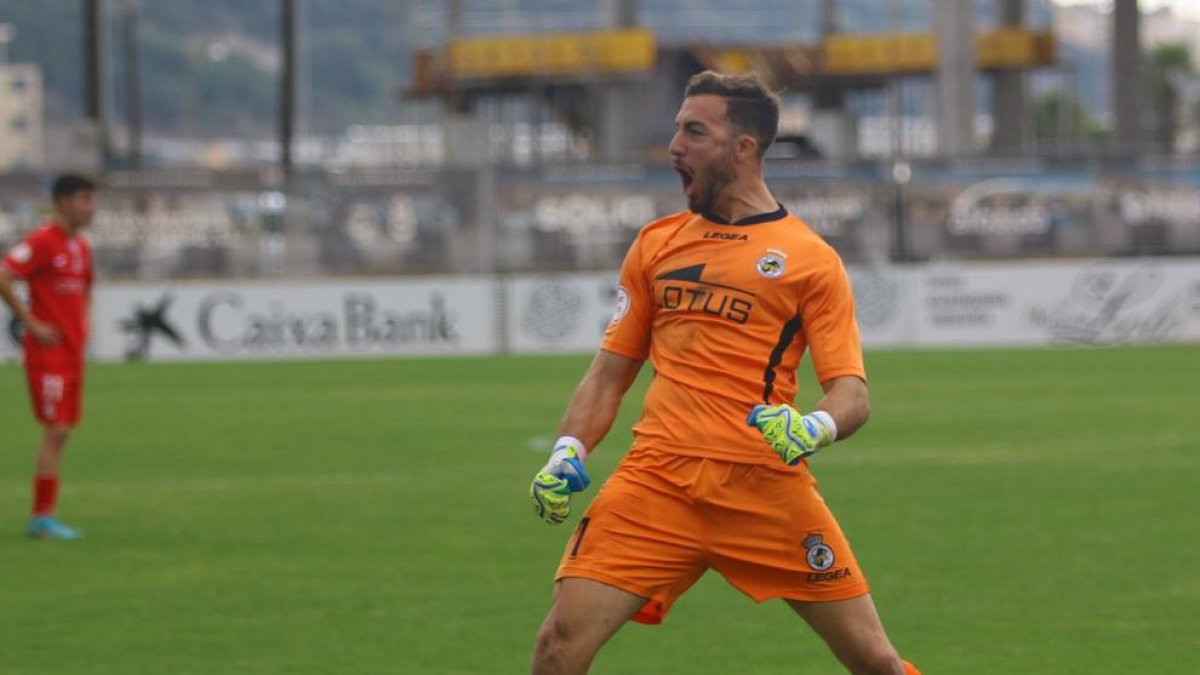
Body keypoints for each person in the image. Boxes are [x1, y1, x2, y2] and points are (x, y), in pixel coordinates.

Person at [527, 72, 921, 675]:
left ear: (743, 147)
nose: (674, 146)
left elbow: (852, 394)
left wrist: (811, 428)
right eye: (677, 130)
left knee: (875, 663)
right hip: (656, 481)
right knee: (557, 647)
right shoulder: (656, 244)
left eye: (694, 132)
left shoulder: (811, 261)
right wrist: (567, 450)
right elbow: (608, 375)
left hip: (762, 486)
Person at [0, 174, 96, 540]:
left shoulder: (80, 246)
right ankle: (42, 517)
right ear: (64, 202)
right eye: (85, 199)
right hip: (48, 354)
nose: (92, 208)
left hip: (71, 353)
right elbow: (4, 275)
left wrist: (85, 324)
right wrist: (31, 322)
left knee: (63, 431)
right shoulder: (43, 241)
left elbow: (88, 289)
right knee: (55, 429)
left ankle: (44, 516)